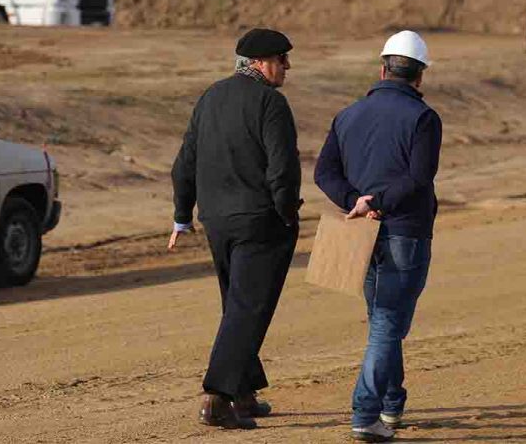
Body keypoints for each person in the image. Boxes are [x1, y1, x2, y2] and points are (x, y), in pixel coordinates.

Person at [169, 28, 302, 430]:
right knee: (248, 308)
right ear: (260, 64)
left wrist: (182, 215)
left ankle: (243, 392)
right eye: (282, 60)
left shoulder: (211, 97)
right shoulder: (271, 103)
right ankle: (218, 398)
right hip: (258, 222)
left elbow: (183, 163)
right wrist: (286, 213)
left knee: (237, 305)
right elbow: (283, 168)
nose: (288, 67)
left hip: (217, 222)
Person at [314, 31, 442, 442]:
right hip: (404, 233)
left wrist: (356, 200)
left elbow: (323, 173)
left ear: (382, 69)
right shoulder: (424, 118)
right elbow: (420, 178)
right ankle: (366, 413)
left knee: (383, 323)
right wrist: (377, 203)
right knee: (388, 325)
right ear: (419, 76)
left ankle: (391, 405)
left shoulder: (347, 115)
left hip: (360, 234)